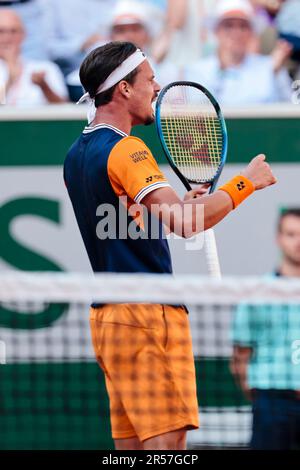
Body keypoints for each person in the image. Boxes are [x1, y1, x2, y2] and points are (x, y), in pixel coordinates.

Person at [64, 41, 276, 450]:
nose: (157, 87)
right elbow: (186, 222)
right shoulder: (127, 149)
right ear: (124, 89)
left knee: (131, 449)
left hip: (109, 320)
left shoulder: (76, 153)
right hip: (147, 314)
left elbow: (141, 220)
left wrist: (184, 208)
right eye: (149, 79)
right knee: (166, 446)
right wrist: (246, 182)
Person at [230, 208, 300, 450]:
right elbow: (240, 354)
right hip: (271, 401)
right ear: (279, 238)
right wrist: (259, 395)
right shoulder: (257, 294)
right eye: (291, 234)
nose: (297, 242)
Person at [184, 0, 292, 105]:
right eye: (229, 26)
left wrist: (276, 74)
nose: (236, 32)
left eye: (243, 26)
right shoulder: (198, 70)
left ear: (251, 32)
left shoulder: (270, 66)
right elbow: (199, 112)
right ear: (217, 31)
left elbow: (290, 110)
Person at [0, 9, 68, 106]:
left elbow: (65, 110)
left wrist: (44, 86)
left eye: (13, 31)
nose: (7, 38)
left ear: (23, 34)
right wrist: (10, 78)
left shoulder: (45, 68)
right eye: (1, 31)